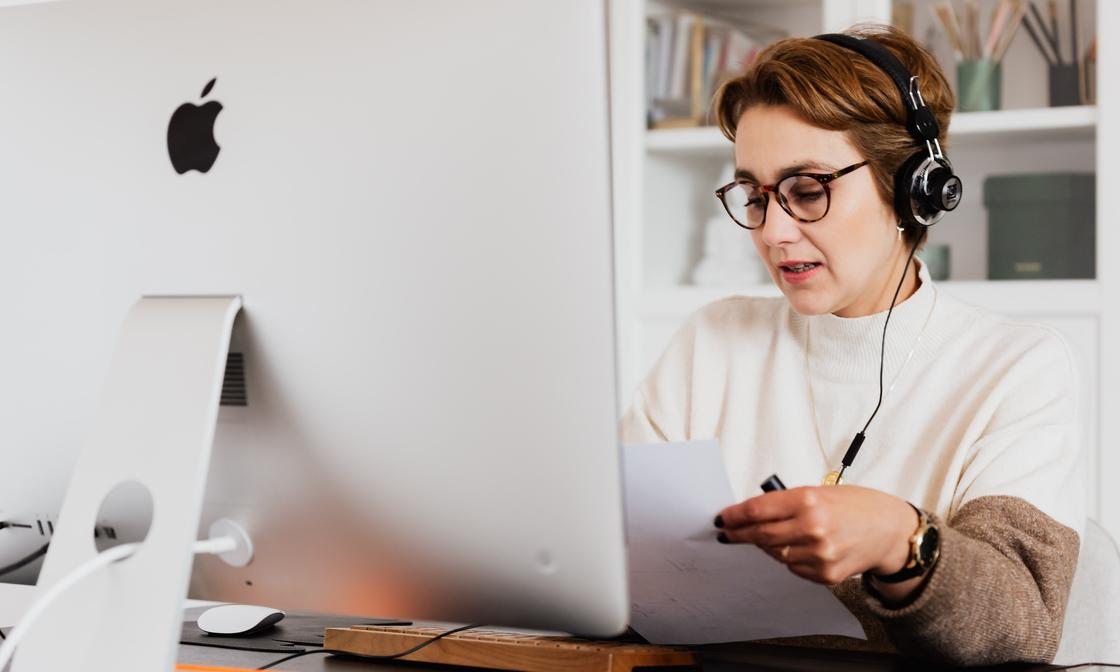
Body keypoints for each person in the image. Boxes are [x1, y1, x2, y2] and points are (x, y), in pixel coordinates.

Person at [620, 24, 1084, 666]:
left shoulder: (1012, 366)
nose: (773, 232)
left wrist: (902, 540)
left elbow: (1022, 623)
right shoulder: (712, 339)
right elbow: (612, 568)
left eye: (807, 191)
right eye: (754, 195)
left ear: (910, 188)